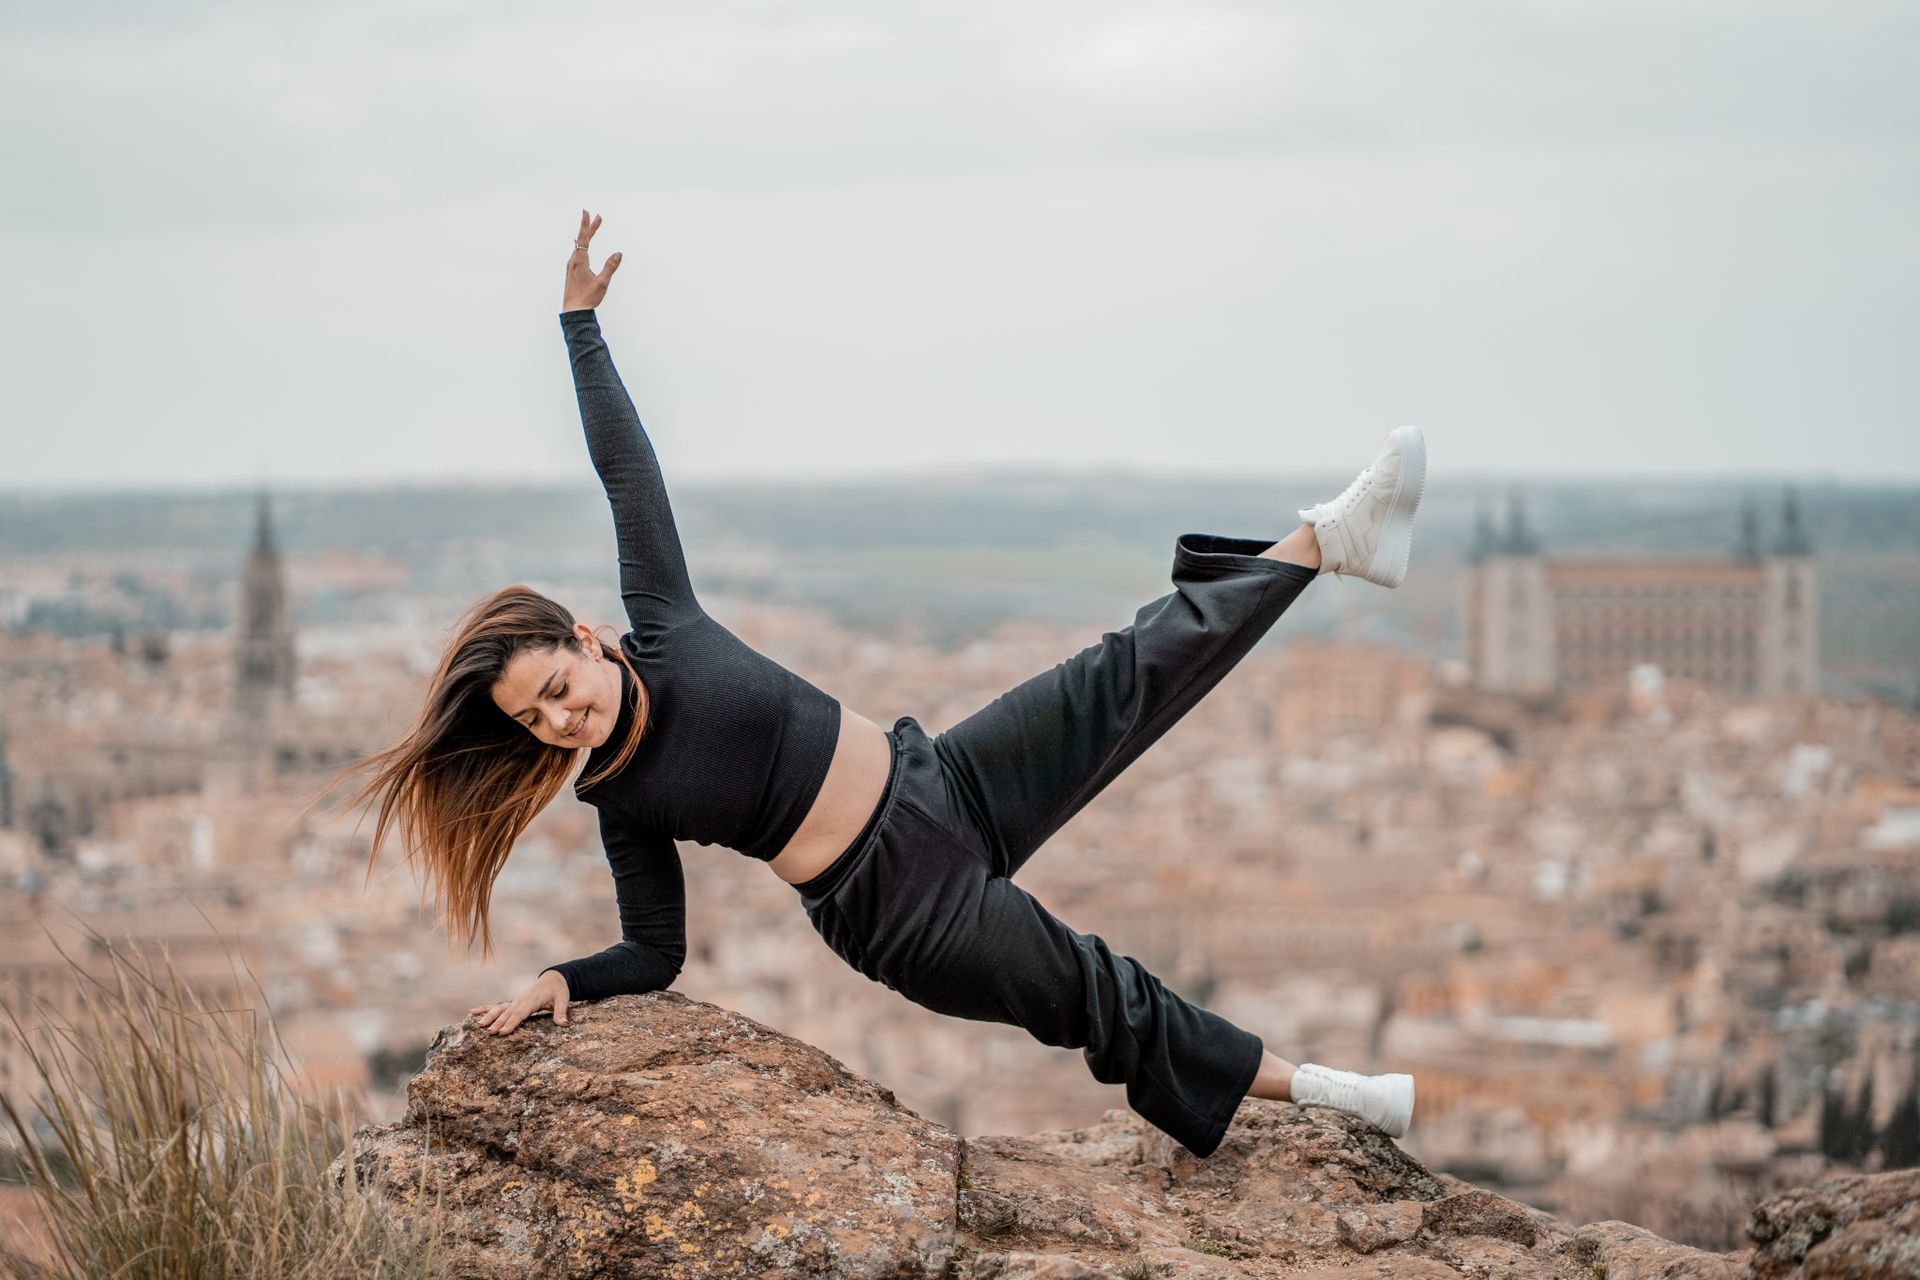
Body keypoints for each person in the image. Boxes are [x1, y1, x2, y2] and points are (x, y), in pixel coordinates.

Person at [337, 209, 1426, 1158]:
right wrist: (566, 977)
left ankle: (1333, 538)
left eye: (557, 685)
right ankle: (1329, 1091)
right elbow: (656, 949)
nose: (562, 716)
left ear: (585, 635)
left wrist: (579, 328)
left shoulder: (662, 616)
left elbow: (628, 470)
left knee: (1123, 672)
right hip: (904, 907)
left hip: (939, 777)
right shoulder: (616, 797)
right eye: (538, 720)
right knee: (1104, 994)